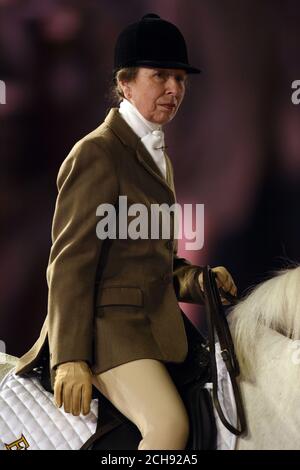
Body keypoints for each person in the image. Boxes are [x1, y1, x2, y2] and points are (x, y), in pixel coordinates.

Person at [15, 14, 237, 450]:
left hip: (154, 328)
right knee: (168, 427)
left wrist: (199, 282)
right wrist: (71, 358)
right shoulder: (97, 153)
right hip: (107, 333)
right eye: (160, 76)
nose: (174, 89)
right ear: (125, 83)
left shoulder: (160, 158)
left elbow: (157, 266)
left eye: (179, 78)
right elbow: (69, 266)